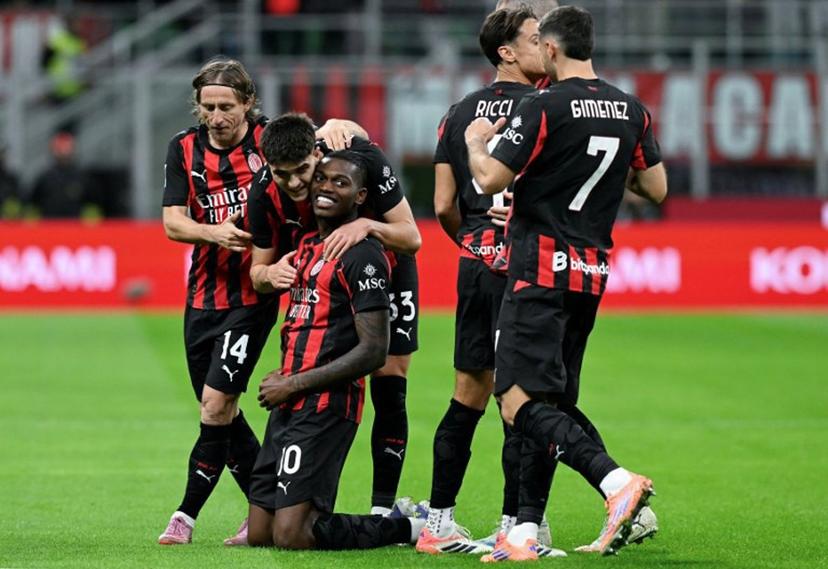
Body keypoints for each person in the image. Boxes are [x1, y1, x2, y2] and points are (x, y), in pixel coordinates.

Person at [465, 6, 667, 560]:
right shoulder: (631, 110)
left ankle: (616, 483)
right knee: (551, 399)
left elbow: (488, 179)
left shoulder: (543, 105)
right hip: (592, 272)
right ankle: (525, 533)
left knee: (514, 400)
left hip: (538, 270)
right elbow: (656, 187)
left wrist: (477, 140)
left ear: (551, 50)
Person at [158, 58, 365, 546]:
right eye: (208, 107)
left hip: (256, 292)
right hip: (203, 295)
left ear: (248, 104)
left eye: (226, 106)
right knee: (219, 409)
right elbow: (171, 221)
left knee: (216, 402)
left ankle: (185, 516)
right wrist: (213, 232)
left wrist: (338, 125)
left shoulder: (272, 141)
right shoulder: (183, 149)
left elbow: (325, 140)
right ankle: (262, 506)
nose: (216, 116)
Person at [416, 6, 562, 557]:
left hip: (476, 265)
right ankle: (515, 527)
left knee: (466, 395)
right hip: (528, 266)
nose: (544, 46)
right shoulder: (547, 106)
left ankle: (439, 523)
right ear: (506, 52)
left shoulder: (457, 114)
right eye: (532, 38)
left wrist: (478, 246)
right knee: (524, 400)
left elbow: (443, 205)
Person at [246, 152, 426, 550]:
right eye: (322, 179)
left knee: (292, 536)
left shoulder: (364, 256)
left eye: (340, 183)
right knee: (260, 535)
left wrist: (292, 384)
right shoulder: (307, 245)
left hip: (325, 405)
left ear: (361, 196)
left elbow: (374, 352)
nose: (326, 187)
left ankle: (408, 526)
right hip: (287, 402)